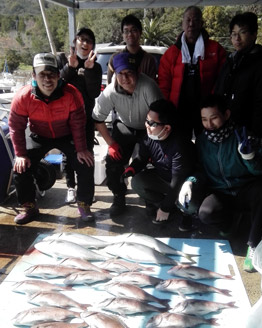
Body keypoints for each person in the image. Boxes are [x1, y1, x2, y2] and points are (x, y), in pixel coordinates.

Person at [177, 94, 262, 272]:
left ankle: (254, 246)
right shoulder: (201, 141)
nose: (209, 124)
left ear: (227, 114)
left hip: (245, 189)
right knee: (205, 213)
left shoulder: (243, 136)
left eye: (214, 118)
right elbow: (201, 170)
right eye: (204, 119)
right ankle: (230, 224)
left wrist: (249, 156)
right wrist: (190, 182)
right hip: (221, 192)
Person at [9, 52, 95, 224]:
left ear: (58, 75)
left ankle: (84, 203)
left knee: (86, 161)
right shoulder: (23, 96)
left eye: (52, 74)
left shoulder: (72, 93)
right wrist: (20, 154)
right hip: (38, 134)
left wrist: (81, 149)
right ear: (34, 75)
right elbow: (16, 126)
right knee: (20, 167)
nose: (47, 79)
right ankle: (29, 206)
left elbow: (78, 122)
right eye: (42, 74)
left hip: (66, 133)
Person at [92, 52, 163, 217]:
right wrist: (110, 144)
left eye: (129, 73)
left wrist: (154, 146)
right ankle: (118, 195)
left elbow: (161, 119)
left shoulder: (149, 87)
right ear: (115, 74)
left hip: (149, 128)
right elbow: (97, 118)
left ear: (137, 72)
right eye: (120, 74)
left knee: (147, 162)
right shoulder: (110, 91)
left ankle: (150, 198)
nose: (124, 78)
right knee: (113, 162)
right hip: (125, 126)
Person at [122, 98, 196, 224]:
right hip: (163, 179)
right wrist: (131, 169)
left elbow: (176, 182)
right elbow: (141, 158)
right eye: (146, 121)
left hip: (183, 184)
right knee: (137, 182)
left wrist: (164, 209)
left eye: (152, 123)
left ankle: (183, 212)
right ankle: (169, 205)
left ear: (167, 128)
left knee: (191, 205)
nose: (147, 125)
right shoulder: (149, 138)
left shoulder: (179, 145)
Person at [158, 6, 226, 141]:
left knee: (208, 144)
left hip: (207, 110)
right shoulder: (171, 53)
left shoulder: (215, 49)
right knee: (182, 146)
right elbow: (164, 84)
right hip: (179, 110)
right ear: (182, 23)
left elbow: (222, 80)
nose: (191, 24)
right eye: (188, 20)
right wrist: (167, 110)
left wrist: (214, 103)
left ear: (201, 23)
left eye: (195, 20)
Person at [58, 27, 102, 204]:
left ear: (92, 46)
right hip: (65, 118)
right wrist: (70, 67)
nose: (84, 43)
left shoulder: (96, 66)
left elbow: (93, 94)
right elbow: (57, 86)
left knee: (87, 155)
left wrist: (89, 70)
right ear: (75, 42)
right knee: (68, 155)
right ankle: (70, 187)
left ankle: (87, 194)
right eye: (81, 39)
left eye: (89, 41)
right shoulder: (64, 60)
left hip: (86, 119)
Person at [215, 12, 262, 140]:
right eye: (234, 34)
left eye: (242, 33)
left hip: (245, 132)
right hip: (224, 129)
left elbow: (261, 104)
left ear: (253, 35)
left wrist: (255, 135)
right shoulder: (229, 61)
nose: (237, 38)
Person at [107, 14, 157, 84]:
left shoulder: (149, 60)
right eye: (126, 31)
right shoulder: (115, 59)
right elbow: (109, 85)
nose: (130, 34)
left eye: (134, 30)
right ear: (122, 35)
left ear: (140, 32)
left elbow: (152, 86)